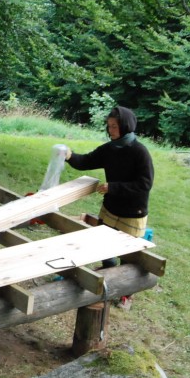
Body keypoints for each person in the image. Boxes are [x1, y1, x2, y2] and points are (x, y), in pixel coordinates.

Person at [63, 105, 154, 268]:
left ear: (125, 127)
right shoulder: (109, 149)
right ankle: (109, 271)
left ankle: (125, 284)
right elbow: (86, 161)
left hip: (133, 211)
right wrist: (69, 156)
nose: (110, 130)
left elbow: (145, 183)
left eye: (114, 126)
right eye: (109, 126)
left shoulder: (140, 152)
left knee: (127, 253)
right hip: (111, 207)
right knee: (104, 244)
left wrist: (113, 187)